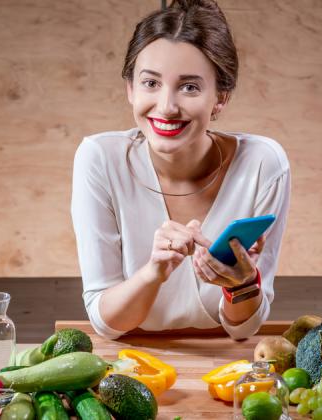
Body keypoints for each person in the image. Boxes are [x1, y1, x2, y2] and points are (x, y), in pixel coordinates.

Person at [71, 0, 290, 340]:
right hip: (131, 354)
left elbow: (244, 329)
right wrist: (154, 272)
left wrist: (241, 284)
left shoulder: (263, 164)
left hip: (222, 357)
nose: (167, 107)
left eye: (189, 87)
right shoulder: (99, 158)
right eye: (150, 83)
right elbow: (107, 323)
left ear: (221, 97)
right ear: (130, 88)